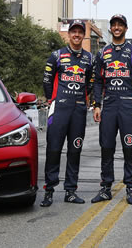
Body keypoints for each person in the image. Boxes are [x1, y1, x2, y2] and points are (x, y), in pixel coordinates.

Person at [90, 14, 132, 205]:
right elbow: (97, 81)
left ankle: (130, 188)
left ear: (126, 28)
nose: (117, 28)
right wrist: (96, 105)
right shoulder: (102, 53)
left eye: (120, 25)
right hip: (108, 105)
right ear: (110, 29)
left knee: (129, 147)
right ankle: (106, 187)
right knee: (106, 147)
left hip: (127, 105)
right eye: (114, 25)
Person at [39, 19, 95, 207]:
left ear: (83, 34)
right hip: (59, 108)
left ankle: (70, 191)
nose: (77, 35)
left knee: (75, 150)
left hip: (79, 109)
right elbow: (47, 79)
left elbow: (91, 83)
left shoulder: (89, 58)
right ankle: (49, 190)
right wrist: (51, 99)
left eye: (80, 32)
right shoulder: (56, 55)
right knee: (54, 150)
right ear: (69, 34)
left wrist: (85, 99)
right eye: (74, 32)